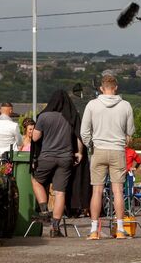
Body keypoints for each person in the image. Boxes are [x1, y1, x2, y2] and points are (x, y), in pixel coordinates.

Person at [81, 74, 135, 240]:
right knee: (118, 190)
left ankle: (93, 230)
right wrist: (123, 142)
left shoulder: (92, 105)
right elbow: (130, 132)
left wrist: (91, 144)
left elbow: (84, 132)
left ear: (101, 88)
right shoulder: (126, 105)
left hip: (98, 150)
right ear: (116, 87)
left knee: (96, 191)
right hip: (117, 150)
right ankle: (120, 229)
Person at [31, 96, 83, 237]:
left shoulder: (44, 116)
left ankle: (44, 211)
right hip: (66, 158)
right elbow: (79, 136)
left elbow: (35, 138)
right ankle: (55, 228)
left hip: (47, 157)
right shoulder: (71, 117)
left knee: (36, 181)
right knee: (60, 192)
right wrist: (79, 152)